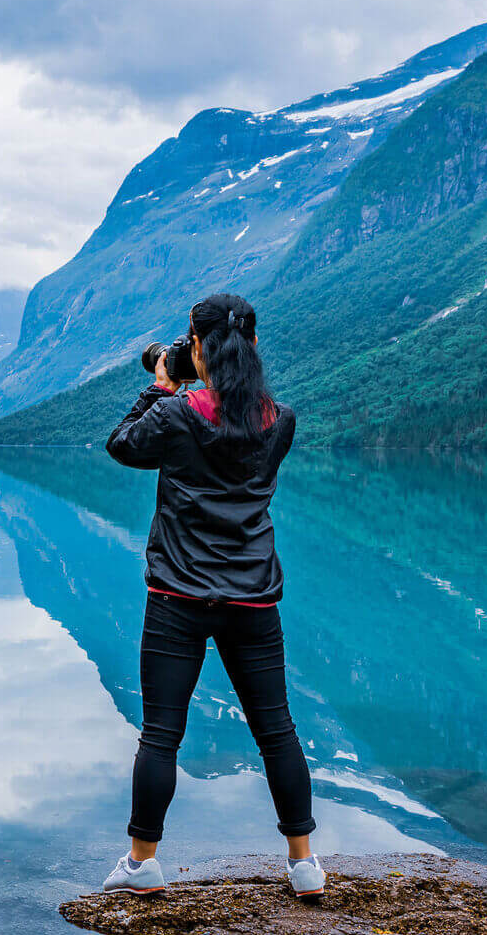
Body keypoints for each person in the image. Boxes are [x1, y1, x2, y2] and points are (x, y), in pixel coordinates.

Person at [101, 292, 322, 899]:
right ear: (252, 346)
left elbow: (122, 444)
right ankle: (303, 864)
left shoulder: (177, 415)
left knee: (162, 733)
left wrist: (160, 386)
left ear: (197, 348)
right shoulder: (281, 420)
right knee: (276, 729)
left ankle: (143, 863)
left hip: (178, 595)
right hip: (253, 596)